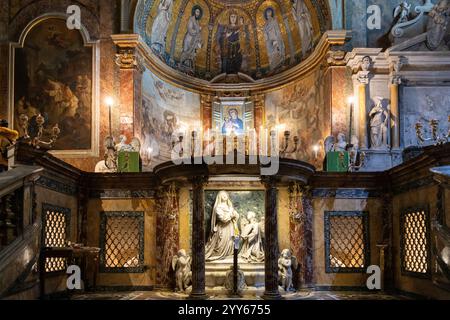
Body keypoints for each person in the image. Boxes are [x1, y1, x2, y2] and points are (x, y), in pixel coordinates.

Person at [205, 191, 240, 261]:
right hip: (223, 228)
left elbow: (236, 216)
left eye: (225, 195)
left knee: (232, 241)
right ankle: (220, 255)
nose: (224, 196)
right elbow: (223, 219)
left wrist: (235, 215)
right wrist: (231, 214)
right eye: (222, 195)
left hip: (231, 227)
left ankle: (229, 255)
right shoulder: (218, 206)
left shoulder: (229, 206)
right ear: (219, 197)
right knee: (221, 244)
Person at [180, 6, 203, 72]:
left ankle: (187, 66)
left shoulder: (197, 21)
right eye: (197, 11)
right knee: (186, 51)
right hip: (189, 38)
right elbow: (189, 28)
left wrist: (199, 41)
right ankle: (181, 64)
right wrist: (197, 30)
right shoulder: (191, 19)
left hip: (194, 40)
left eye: (199, 12)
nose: (198, 13)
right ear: (194, 12)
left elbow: (199, 33)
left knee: (192, 54)